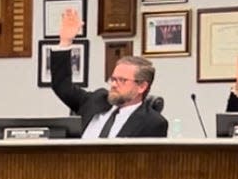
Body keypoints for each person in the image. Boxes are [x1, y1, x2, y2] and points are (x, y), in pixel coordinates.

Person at [51, 9, 167, 138]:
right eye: (113, 79)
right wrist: (65, 42)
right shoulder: (96, 100)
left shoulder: (153, 123)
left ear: (141, 87)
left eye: (122, 80)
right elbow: (62, 85)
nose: (114, 85)